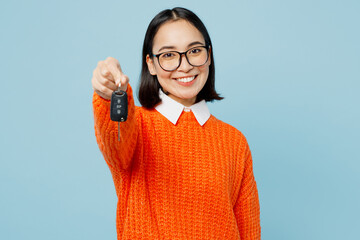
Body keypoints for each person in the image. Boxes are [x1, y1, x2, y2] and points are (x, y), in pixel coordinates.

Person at [91, 7, 260, 239]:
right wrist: (109, 94)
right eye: (168, 55)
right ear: (150, 64)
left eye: (195, 50)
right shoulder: (136, 125)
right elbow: (115, 140)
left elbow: (249, 231)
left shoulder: (234, 142)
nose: (185, 65)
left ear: (208, 55)